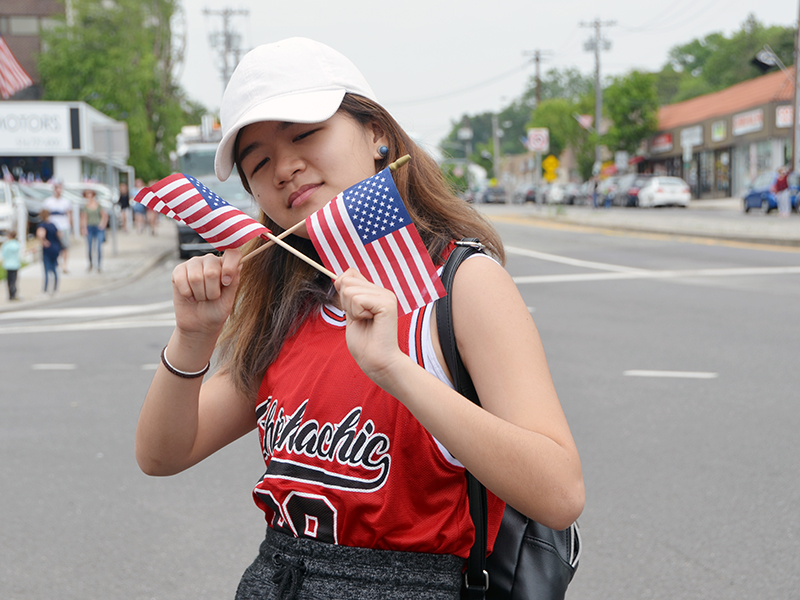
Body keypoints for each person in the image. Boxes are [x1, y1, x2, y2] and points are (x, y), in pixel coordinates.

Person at [135, 37, 584, 599]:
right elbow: (162, 454)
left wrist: (394, 368)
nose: (286, 168)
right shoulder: (285, 302)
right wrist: (193, 336)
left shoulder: (463, 284)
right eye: (260, 162)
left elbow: (559, 491)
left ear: (377, 134)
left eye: (305, 134)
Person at [42, 181, 72, 273]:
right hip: (52, 226)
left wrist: (70, 225)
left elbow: (69, 214)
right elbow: (44, 214)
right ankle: (55, 262)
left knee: (65, 246)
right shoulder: (48, 201)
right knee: (54, 246)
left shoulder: (66, 202)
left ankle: (65, 265)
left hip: (64, 225)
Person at [79, 189, 109, 272]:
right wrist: (83, 228)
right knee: (89, 247)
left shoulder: (98, 205)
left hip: (98, 227)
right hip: (89, 227)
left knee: (98, 247)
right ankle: (91, 263)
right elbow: (83, 218)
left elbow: (104, 215)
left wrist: (102, 224)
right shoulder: (85, 207)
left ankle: (99, 265)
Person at [36, 209, 62, 295]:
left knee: (46, 269)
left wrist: (43, 241)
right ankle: (55, 288)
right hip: (55, 248)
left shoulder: (42, 225)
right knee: (54, 269)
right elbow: (59, 235)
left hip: (48, 249)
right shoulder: (53, 225)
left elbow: (41, 234)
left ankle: (45, 289)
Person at [1, 229, 22, 301]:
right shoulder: (17, 244)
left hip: (8, 264)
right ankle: (14, 294)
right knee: (14, 280)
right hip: (15, 264)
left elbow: (3, 254)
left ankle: (10, 295)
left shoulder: (6, 244)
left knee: (9, 281)